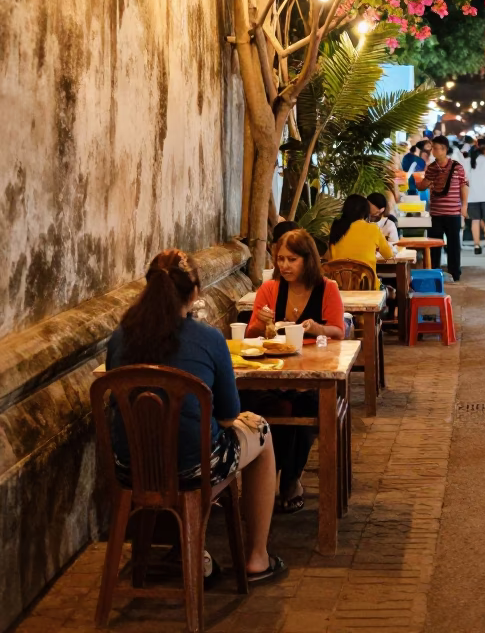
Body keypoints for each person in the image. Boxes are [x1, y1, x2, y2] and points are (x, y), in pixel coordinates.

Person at [106, 249, 283, 583]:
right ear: (196, 292)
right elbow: (230, 418)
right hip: (193, 470)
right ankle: (257, 557)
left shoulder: (120, 336)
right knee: (260, 430)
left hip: (130, 468)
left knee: (189, 440)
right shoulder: (208, 339)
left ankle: (189, 549)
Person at [246, 229, 345, 511]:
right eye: (280, 260)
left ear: (308, 260)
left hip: (313, 373)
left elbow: (338, 331)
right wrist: (260, 322)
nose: (285, 266)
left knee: (308, 407)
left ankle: (290, 478)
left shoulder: (327, 289)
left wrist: (317, 328)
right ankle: (267, 480)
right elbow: (253, 333)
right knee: (264, 408)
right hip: (274, 374)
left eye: (292, 259)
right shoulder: (270, 290)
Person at [412, 134, 469, 281]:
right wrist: (419, 183)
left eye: (437, 149)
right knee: (435, 246)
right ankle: (435, 273)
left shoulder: (457, 167)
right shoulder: (431, 168)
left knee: (454, 246)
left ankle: (455, 273)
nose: (434, 152)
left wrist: (464, 206)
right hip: (436, 213)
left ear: (444, 150)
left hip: (453, 213)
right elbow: (424, 185)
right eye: (433, 149)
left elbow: (464, 186)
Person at [327, 194, 395, 287]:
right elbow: (388, 255)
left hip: (340, 287)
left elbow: (329, 257)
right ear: (365, 211)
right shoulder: (373, 229)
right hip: (367, 287)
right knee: (389, 289)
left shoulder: (336, 228)